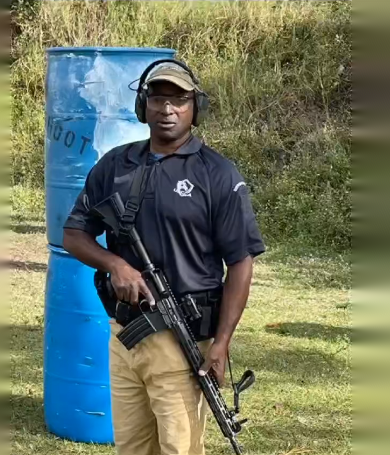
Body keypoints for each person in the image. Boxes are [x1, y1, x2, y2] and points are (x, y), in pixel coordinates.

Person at [62, 59, 265, 455]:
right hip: (125, 338)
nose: (167, 109)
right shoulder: (115, 165)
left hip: (182, 339)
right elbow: (73, 234)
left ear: (195, 107)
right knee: (132, 447)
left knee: (179, 449)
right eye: (158, 98)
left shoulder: (217, 174)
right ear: (143, 106)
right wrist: (115, 265)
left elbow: (240, 262)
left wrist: (221, 343)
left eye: (179, 99)